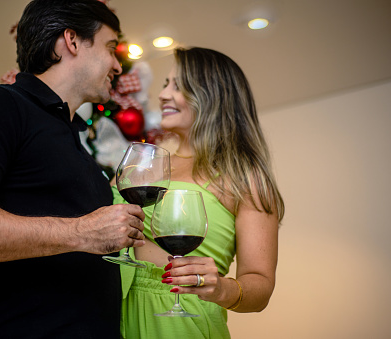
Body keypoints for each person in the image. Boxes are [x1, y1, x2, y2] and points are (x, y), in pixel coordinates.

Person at [0, 0, 146, 338]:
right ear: (71, 40)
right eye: (111, 48)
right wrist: (83, 233)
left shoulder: (79, 145)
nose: (118, 65)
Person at [114, 47, 285, 338]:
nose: (163, 94)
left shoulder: (245, 178)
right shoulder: (151, 164)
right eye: (166, 84)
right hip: (113, 312)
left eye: (177, 86)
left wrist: (220, 288)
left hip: (178, 321)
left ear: (212, 96)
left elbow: (260, 287)